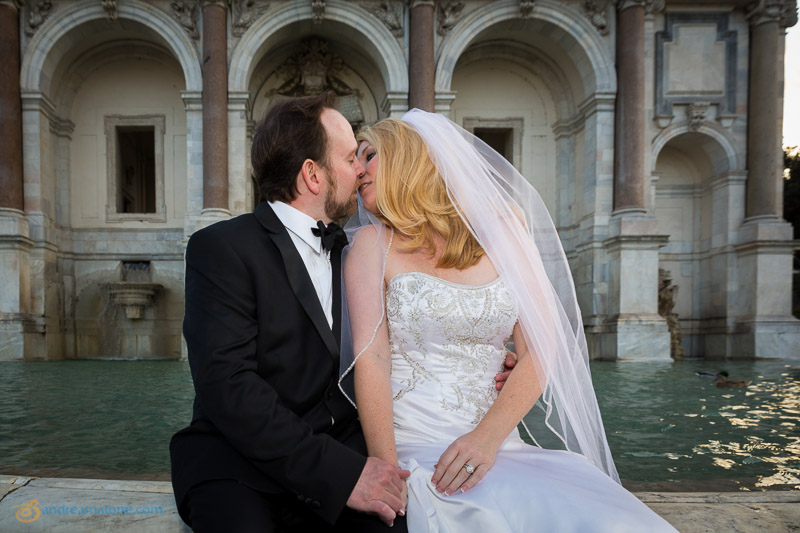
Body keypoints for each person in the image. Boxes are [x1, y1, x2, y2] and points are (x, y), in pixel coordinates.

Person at [338, 110, 678, 532]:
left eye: (368, 155)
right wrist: (387, 472)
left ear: (407, 158)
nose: (357, 169)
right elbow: (372, 361)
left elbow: (542, 347)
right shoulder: (371, 244)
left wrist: (486, 439)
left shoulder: (503, 230)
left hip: (499, 445)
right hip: (413, 448)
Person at [169, 92, 411, 532]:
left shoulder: (358, 252)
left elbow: (393, 342)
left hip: (341, 449)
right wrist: (340, 476)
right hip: (238, 468)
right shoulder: (221, 248)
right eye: (349, 158)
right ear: (312, 175)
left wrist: (489, 358)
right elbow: (230, 387)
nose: (362, 170)